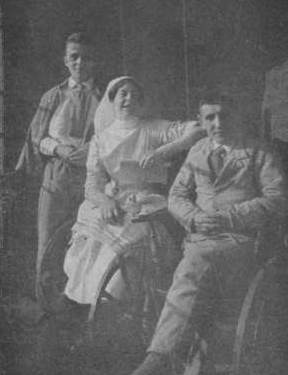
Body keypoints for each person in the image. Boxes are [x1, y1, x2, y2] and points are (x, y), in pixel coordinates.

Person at [131, 90, 288, 375]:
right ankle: (193, 367)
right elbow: (176, 195)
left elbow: (278, 198)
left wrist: (229, 216)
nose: (218, 123)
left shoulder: (259, 151)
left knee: (195, 263)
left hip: (241, 241)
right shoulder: (198, 151)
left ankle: (158, 357)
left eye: (224, 115)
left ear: (238, 116)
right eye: (210, 117)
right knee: (193, 262)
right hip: (201, 237)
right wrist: (193, 217)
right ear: (201, 121)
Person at [58, 75, 205, 317]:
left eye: (135, 95)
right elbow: (93, 184)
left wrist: (162, 152)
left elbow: (198, 130)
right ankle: (79, 299)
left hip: (148, 202)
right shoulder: (101, 139)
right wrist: (104, 201)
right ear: (112, 99)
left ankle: (111, 305)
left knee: (124, 238)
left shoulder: (153, 127)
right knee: (94, 231)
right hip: (113, 200)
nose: (129, 99)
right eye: (123, 94)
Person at [15, 32, 101, 311]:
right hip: (57, 175)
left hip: (91, 177)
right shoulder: (53, 96)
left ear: (94, 61)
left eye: (85, 57)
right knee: (50, 240)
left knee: (84, 241)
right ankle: (45, 308)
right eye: (74, 56)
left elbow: (113, 136)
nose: (79, 62)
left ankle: (76, 308)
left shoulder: (106, 98)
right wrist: (60, 149)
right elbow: (37, 137)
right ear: (65, 60)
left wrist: (91, 149)